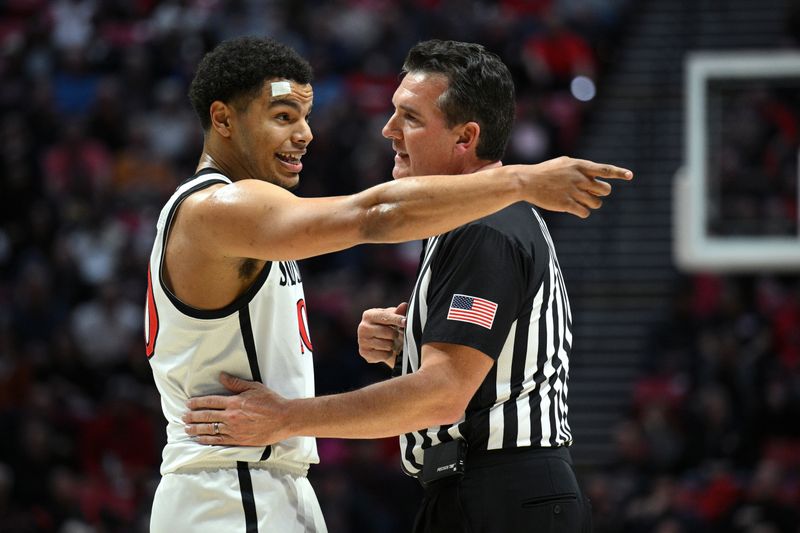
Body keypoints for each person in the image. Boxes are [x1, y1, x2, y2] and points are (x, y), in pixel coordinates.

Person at [169, 36, 631, 532]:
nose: (387, 130)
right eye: (284, 117)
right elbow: (375, 215)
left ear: (465, 137)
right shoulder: (224, 209)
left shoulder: (484, 227)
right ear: (222, 121)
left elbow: (443, 393)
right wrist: (410, 342)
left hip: (501, 491)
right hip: (470, 490)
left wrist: (287, 417)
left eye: (409, 118)